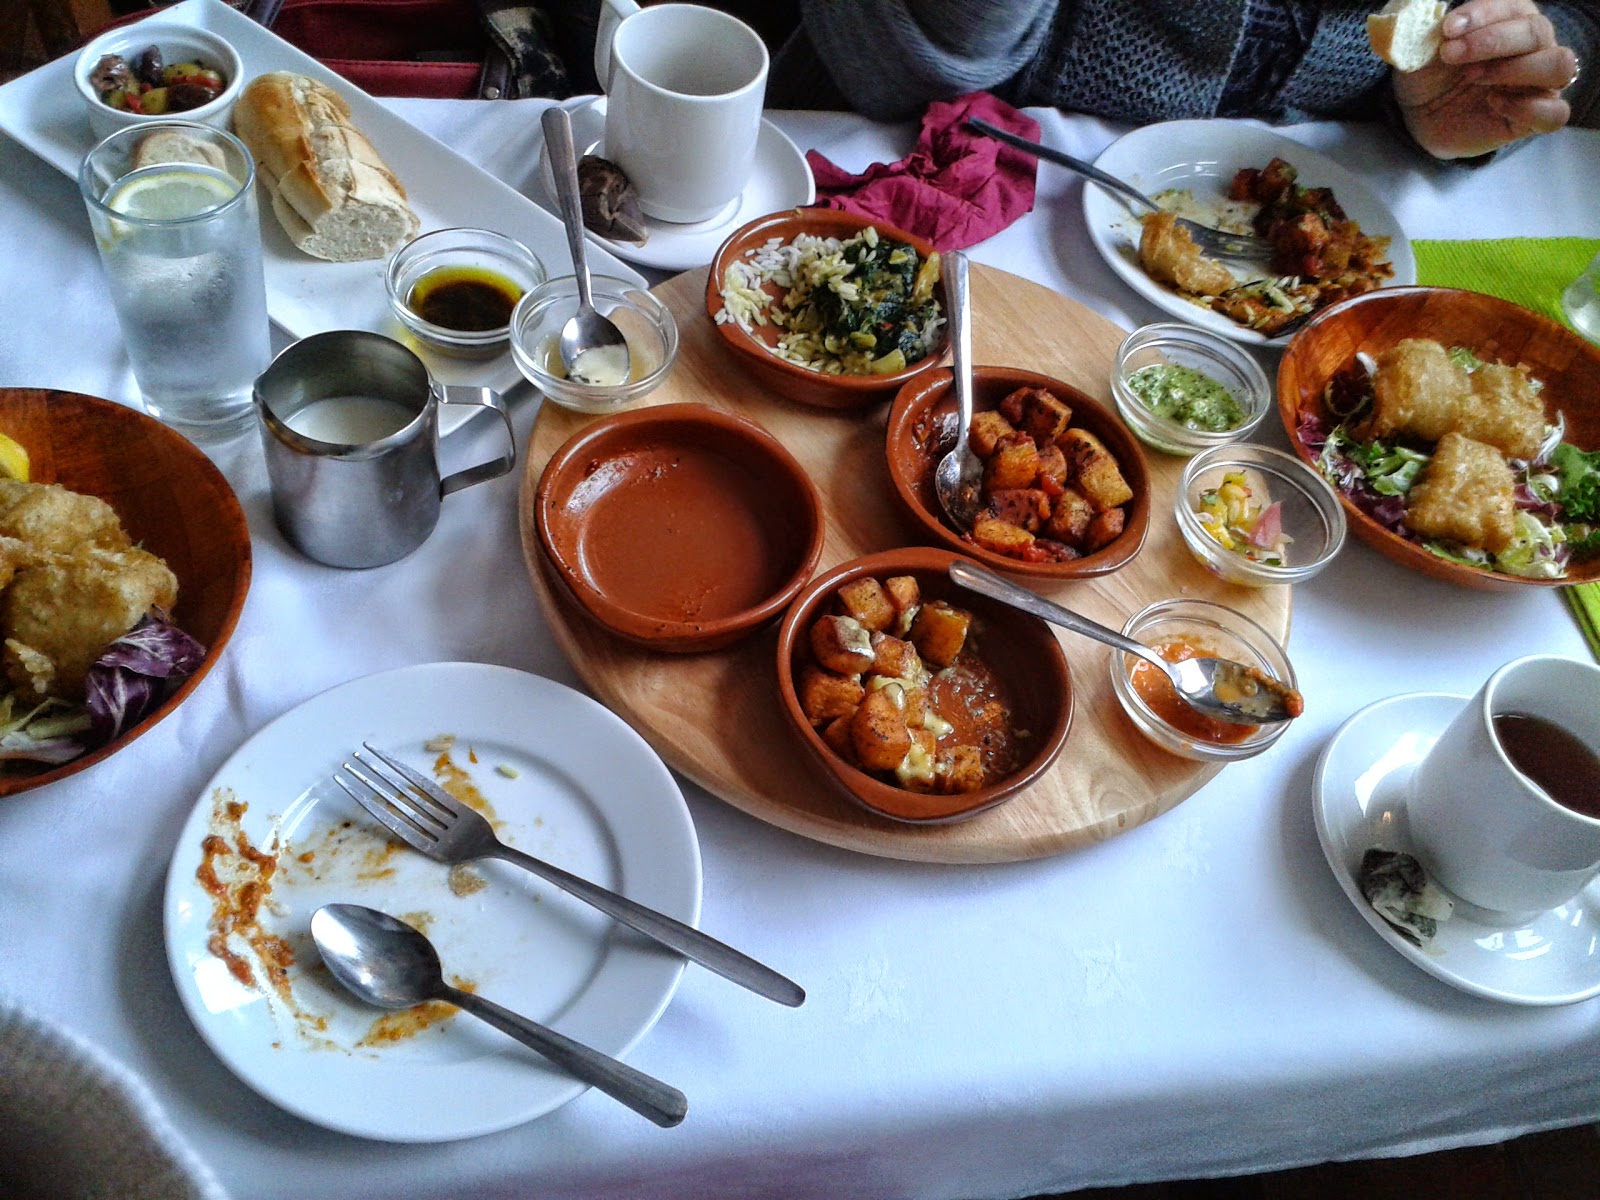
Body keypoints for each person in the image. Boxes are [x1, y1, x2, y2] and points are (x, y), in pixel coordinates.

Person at [767, 0, 1596, 159]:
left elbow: (1577, 28)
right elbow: (891, 76)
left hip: (1343, 222)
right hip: (976, 203)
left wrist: (1485, 82)